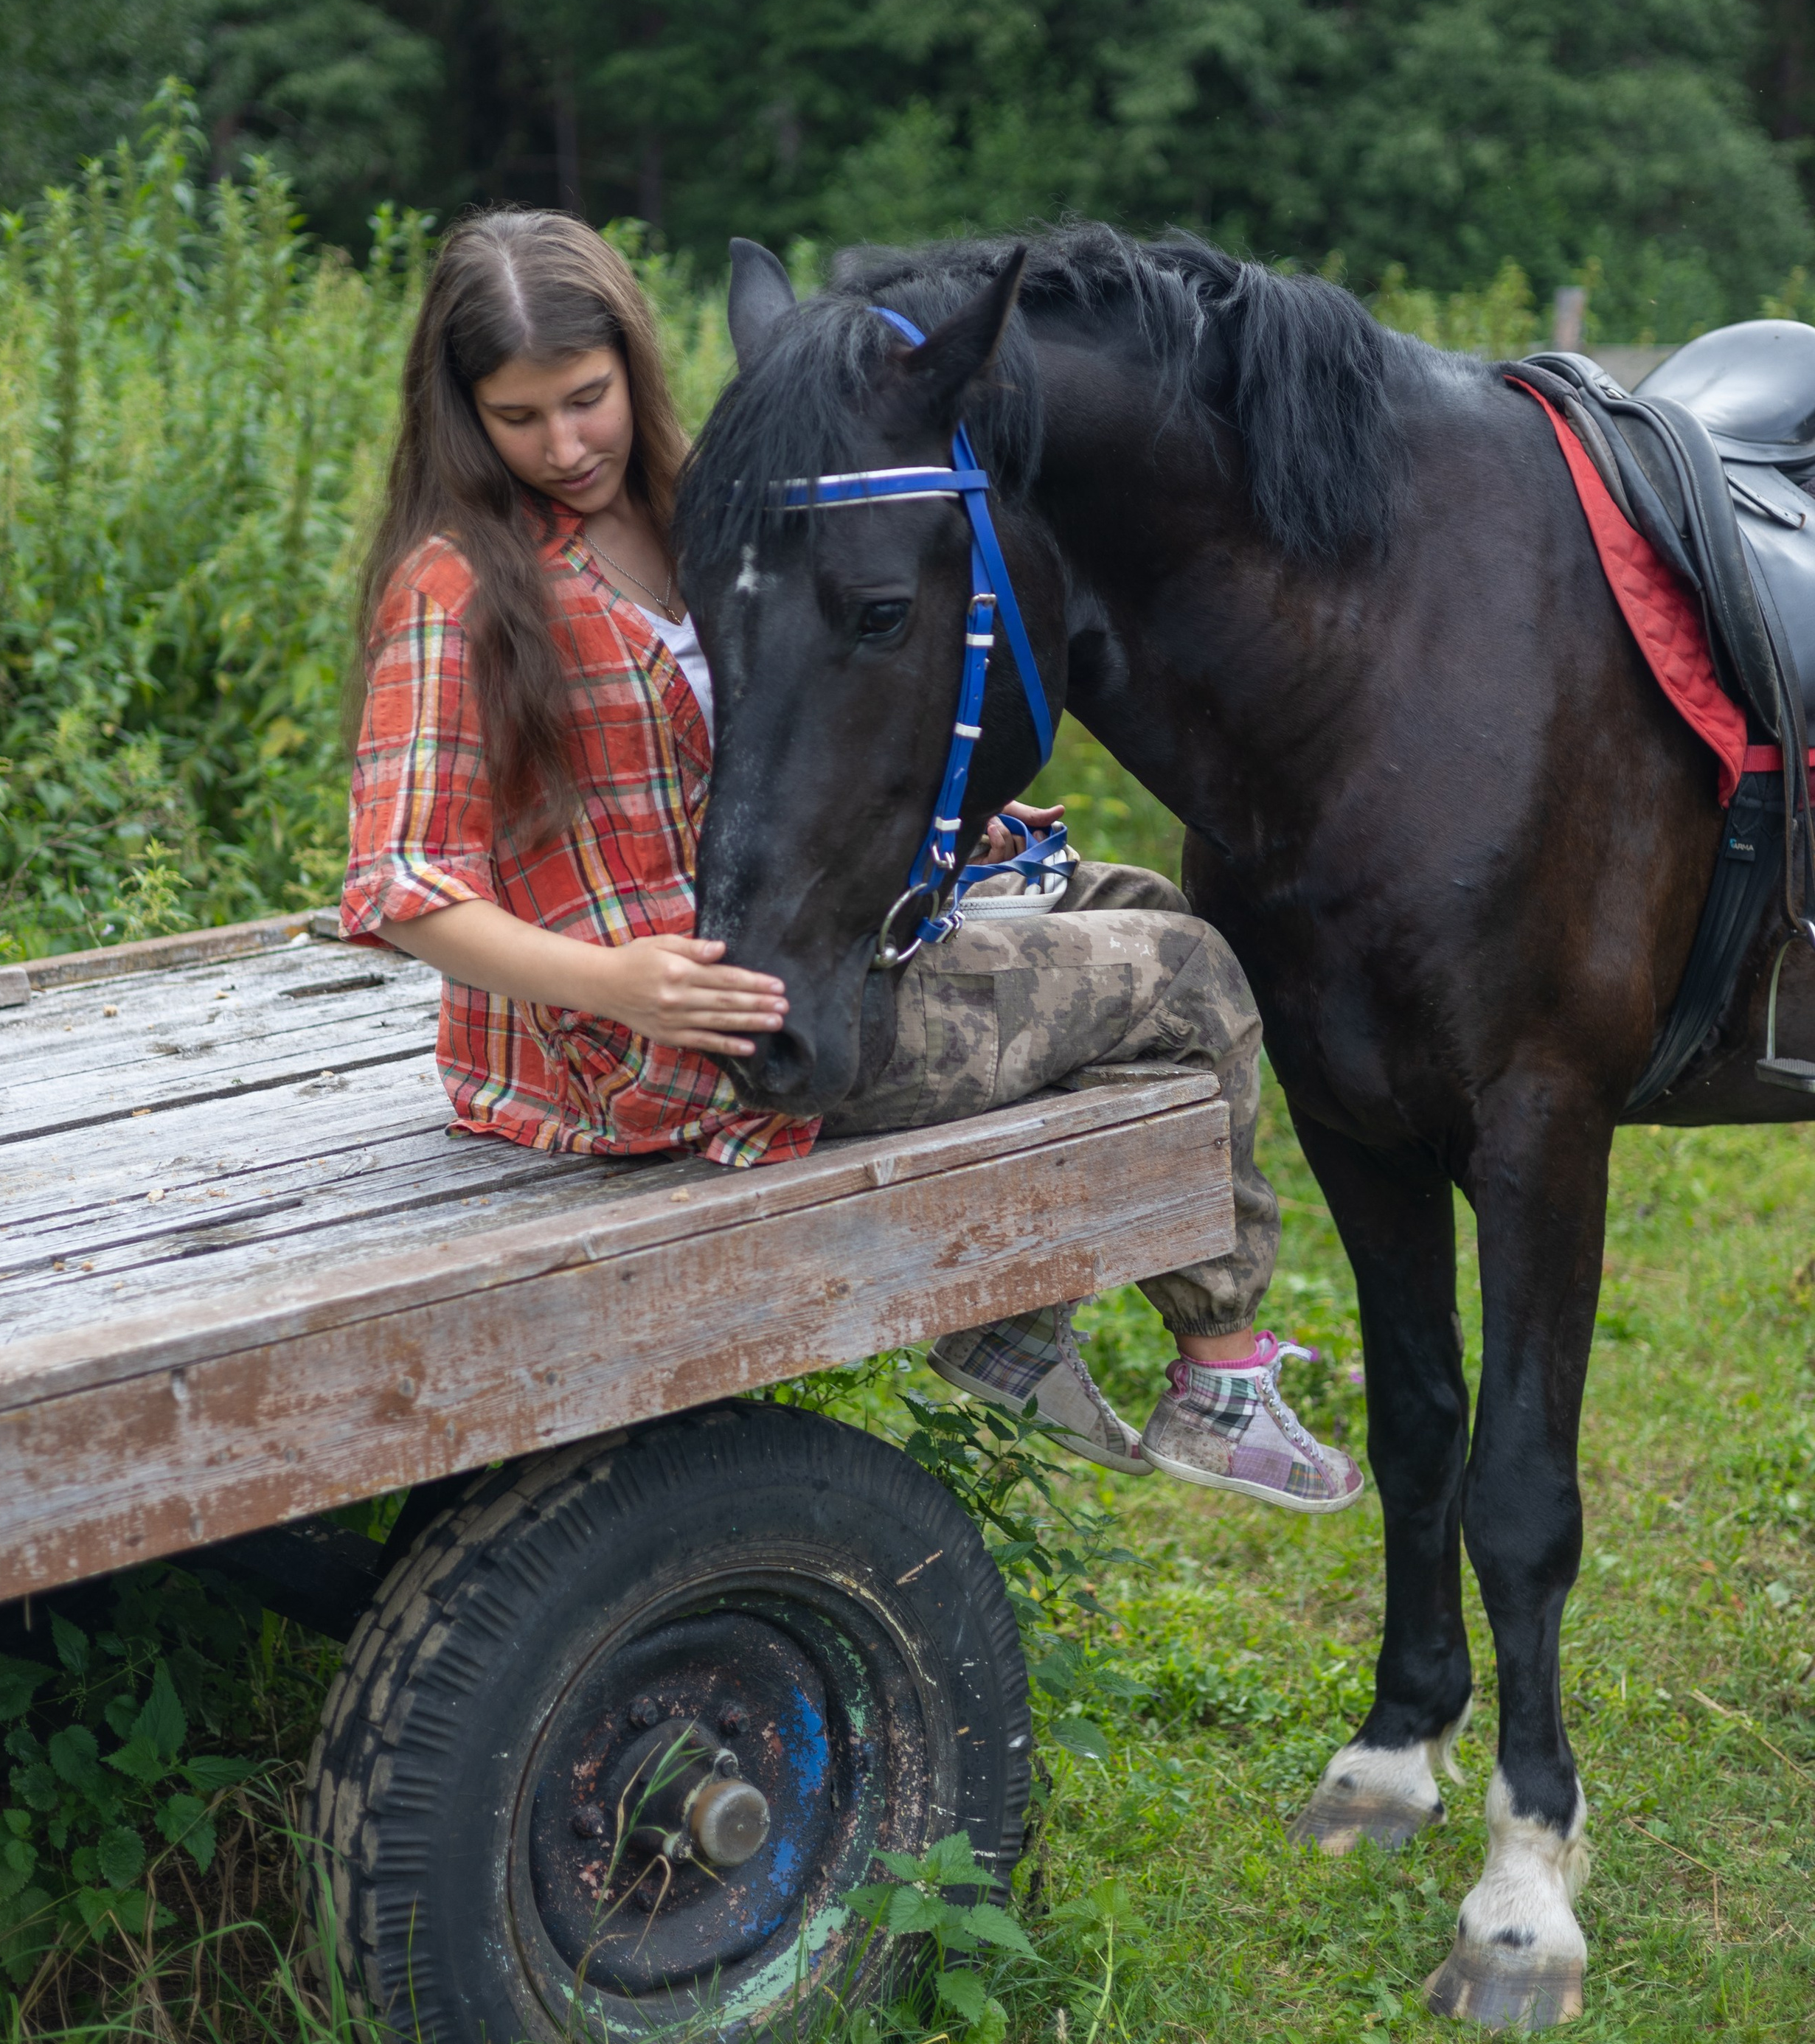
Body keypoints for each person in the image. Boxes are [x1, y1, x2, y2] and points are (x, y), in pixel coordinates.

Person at [341, 209, 1358, 1511]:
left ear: (634, 367)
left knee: (1130, 900)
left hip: (760, 941)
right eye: (518, 417)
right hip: (660, 1045)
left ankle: (1012, 1309)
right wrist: (620, 985)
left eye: (587, 399)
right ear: (462, 415)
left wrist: (962, 833)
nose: (567, 445)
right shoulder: (459, 587)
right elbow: (399, 884)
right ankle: (1218, 1380)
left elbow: (784, 743)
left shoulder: (710, 512)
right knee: (1189, 974)